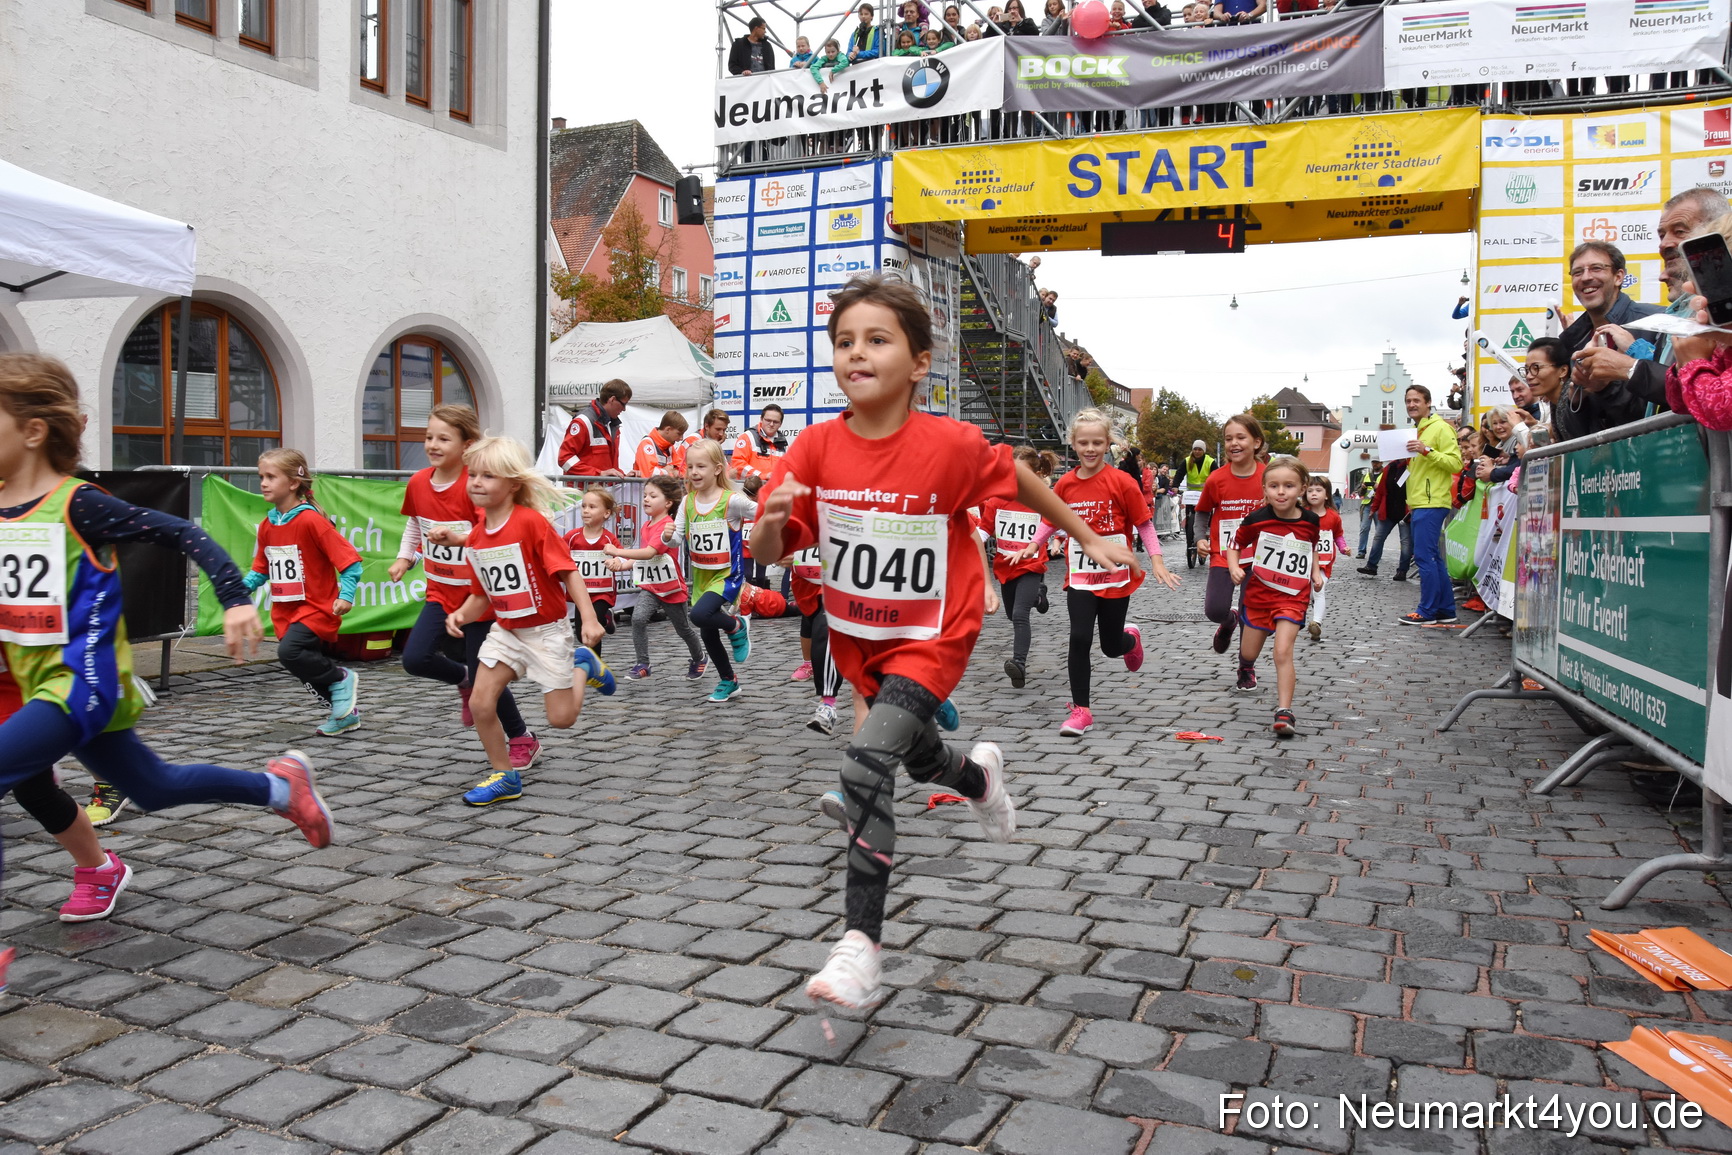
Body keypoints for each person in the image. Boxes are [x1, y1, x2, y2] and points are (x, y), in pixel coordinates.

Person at [751, 275, 1137, 1009]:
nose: (854, 353)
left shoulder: (949, 445)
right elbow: (778, 541)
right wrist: (770, 521)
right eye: (842, 341)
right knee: (917, 753)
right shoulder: (813, 444)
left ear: (919, 362)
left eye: (875, 339)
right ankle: (979, 778)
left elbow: (1019, 481)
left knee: (867, 764)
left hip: (934, 633)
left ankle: (860, 946)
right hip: (861, 635)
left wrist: (1087, 534)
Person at [0, 353, 334, 990]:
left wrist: (236, 598)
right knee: (152, 786)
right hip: (36, 683)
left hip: (81, 684)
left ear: (33, 430)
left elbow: (184, 531)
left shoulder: (79, 504)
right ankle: (279, 788)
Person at [445, 436, 607, 806]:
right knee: (481, 703)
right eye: (473, 475)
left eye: (488, 476)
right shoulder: (476, 537)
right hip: (506, 631)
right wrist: (461, 614)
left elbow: (568, 571)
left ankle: (583, 664)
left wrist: (589, 617)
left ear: (513, 484)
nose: (477, 483)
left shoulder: (531, 523)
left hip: (547, 631)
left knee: (562, 719)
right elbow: (482, 594)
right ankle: (505, 775)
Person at [1012, 409, 1180, 737]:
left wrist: (1157, 560)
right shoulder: (1066, 484)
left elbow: (1144, 523)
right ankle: (1081, 710)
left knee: (1110, 645)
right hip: (1081, 577)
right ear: (1073, 444)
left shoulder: (1121, 482)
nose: (1090, 449)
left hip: (1116, 577)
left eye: (1097, 443)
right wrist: (1034, 545)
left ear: (1108, 445)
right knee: (1079, 638)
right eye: (1084, 442)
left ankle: (1130, 641)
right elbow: (1050, 519)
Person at [390, 405, 538, 769]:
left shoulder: (475, 484)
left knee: (487, 679)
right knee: (415, 658)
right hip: (440, 592)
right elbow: (415, 525)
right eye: (428, 437)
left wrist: (458, 538)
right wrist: (405, 558)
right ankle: (463, 679)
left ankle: (521, 737)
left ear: (467, 445)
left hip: (479, 598)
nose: (433, 445)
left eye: (444, 438)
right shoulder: (418, 483)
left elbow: (492, 531)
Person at [245, 449, 363, 737]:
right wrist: (238, 590)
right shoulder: (267, 525)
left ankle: (341, 678)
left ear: (293, 483)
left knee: (290, 651)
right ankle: (344, 714)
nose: (263, 483)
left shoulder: (311, 521)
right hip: (285, 610)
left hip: (316, 608)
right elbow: (261, 569)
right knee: (293, 660)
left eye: (271, 477)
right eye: (261, 476)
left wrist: (346, 596)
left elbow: (350, 561)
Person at [1225, 456, 1323, 735]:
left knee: (1282, 651)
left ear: (1302, 488)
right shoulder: (1256, 518)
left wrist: (1315, 573)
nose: (1281, 492)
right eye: (1274, 486)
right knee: (1249, 652)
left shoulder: (1311, 520)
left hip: (1293, 596)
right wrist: (1234, 566)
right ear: (1265, 489)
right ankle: (1244, 659)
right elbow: (1235, 544)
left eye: (1289, 486)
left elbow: (1311, 547)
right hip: (1259, 596)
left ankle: (1284, 712)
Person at [1556, 243, 1664, 440]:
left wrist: (1606, 387)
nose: (1586, 277)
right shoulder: (1573, 340)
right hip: (1601, 467)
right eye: (1578, 272)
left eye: (1596, 268)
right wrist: (1576, 396)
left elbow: (1662, 407)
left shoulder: (1656, 324)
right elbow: (1571, 433)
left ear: (1619, 277)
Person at [674, 439, 755, 702]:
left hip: (727, 576)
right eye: (690, 467)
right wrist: (666, 536)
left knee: (698, 615)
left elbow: (761, 512)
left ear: (718, 469)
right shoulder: (687, 501)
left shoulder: (731, 501)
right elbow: (676, 538)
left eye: (701, 466)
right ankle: (728, 680)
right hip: (701, 576)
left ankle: (736, 624)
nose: (694, 472)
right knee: (708, 633)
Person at [607, 476, 706, 681]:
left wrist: (619, 551)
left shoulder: (667, 526)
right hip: (651, 586)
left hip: (671, 588)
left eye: (653, 496)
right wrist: (621, 565)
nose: (646, 500)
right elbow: (643, 559)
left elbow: (649, 553)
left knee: (683, 629)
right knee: (638, 618)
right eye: (644, 496)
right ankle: (643, 663)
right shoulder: (646, 526)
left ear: (668, 503)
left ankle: (699, 657)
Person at [983, 446, 1055, 689]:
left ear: (1035, 475)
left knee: (1019, 615)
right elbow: (984, 530)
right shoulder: (996, 500)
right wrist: (968, 537)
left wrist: (1058, 540)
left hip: (1031, 565)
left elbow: (1058, 523)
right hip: (1005, 566)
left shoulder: (1041, 500)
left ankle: (1019, 664)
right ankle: (1038, 597)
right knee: (1011, 613)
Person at [1195, 415, 1267, 654]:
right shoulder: (1217, 479)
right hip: (1224, 554)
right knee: (1214, 610)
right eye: (1228, 439)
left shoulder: (1269, 477)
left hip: (1258, 556)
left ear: (1256, 442)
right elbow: (1203, 512)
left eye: (1240, 437)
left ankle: (1246, 667)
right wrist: (1200, 538)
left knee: (1251, 612)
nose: (1234, 443)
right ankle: (1228, 621)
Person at [1395, 385, 1463, 626]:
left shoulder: (1441, 428)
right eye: (1408, 400)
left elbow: (1456, 463)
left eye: (1416, 400)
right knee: (1433, 557)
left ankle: (1427, 611)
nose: (1412, 404)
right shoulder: (1417, 430)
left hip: (1432, 501)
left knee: (1424, 557)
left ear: (1428, 403)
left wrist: (1427, 450)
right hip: (1421, 501)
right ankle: (1445, 609)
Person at [565, 486, 621, 653]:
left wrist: (617, 560)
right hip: (581, 592)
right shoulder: (572, 537)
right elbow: (557, 552)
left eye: (592, 507)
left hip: (602, 592)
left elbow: (621, 554)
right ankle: (606, 619)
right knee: (582, 633)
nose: (586, 511)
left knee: (593, 624)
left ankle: (595, 666)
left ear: (606, 513)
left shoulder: (608, 538)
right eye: (583, 506)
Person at [557, 379, 630, 478]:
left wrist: (624, 476)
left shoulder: (611, 425)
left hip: (599, 489)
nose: (624, 409)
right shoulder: (583, 422)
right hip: (582, 491)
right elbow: (564, 458)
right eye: (623, 404)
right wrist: (598, 474)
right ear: (612, 399)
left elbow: (609, 467)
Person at [1304, 476, 1347, 642]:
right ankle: (1298, 619)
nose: (1313, 494)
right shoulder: (1302, 513)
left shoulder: (1333, 517)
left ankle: (1316, 623)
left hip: (1323, 564)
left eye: (1318, 490)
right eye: (1310, 491)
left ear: (1327, 495)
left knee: (1319, 589)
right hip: (1304, 562)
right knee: (1306, 593)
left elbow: (1338, 535)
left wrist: (1343, 548)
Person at [730, 404, 787, 482]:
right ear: (761, 419)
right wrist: (762, 476)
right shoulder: (748, 437)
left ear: (780, 424)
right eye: (768, 420)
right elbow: (738, 464)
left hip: (774, 491)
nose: (771, 424)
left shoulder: (784, 444)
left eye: (775, 422)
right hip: (750, 491)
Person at [1180, 438, 1214, 566]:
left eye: (1200, 449)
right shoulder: (1187, 461)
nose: (1197, 451)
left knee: (1208, 514)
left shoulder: (1210, 462)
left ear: (1203, 451)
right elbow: (1179, 474)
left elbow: (1216, 475)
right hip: (1191, 495)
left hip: (1205, 495)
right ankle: (1189, 538)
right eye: (1195, 449)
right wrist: (1175, 486)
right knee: (1190, 516)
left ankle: (1207, 531)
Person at [631, 411, 690, 478]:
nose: (681, 438)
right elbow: (649, 474)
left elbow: (683, 470)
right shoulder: (647, 444)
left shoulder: (670, 447)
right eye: (679, 434)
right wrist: (669, 472)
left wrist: (668, 471)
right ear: (668, 429)